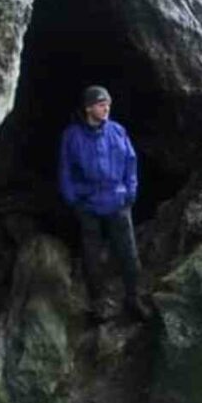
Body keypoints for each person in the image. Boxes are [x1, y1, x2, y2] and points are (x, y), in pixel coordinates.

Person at [58, 85, 148, 322]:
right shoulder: (72, 136)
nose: (106, 108)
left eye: (108, 103)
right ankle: (99, 303)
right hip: (88, 204)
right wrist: (73, 199)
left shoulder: (117, 131)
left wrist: (130, 192)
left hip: (117, 201)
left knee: (128, 253)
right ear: (89, 108)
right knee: (92, 256)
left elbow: (131, 162)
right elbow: (65, 170)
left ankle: (134, 298)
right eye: (101, 104)